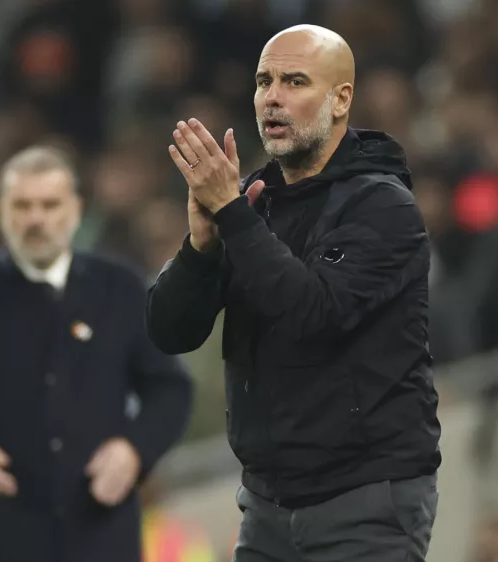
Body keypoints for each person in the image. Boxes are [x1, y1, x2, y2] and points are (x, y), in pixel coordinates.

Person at [145, 24, 441, 562]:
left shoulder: (382, 207)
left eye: (295, 81)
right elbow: (169, 330)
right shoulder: (257, 205)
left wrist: (234, 217)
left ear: (341, 98)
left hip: (365, 502)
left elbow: (313, 313)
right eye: (264, 81)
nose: (272, 97)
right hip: (266, 508)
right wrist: (202, 245)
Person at [0, 145, 193, 562]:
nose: (36, 219)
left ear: (75, 210)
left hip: (100, 536)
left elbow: (170, 389)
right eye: (23, 205)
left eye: (49, 205)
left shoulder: (120, 290)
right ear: (3, 212)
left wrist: (134, 450)